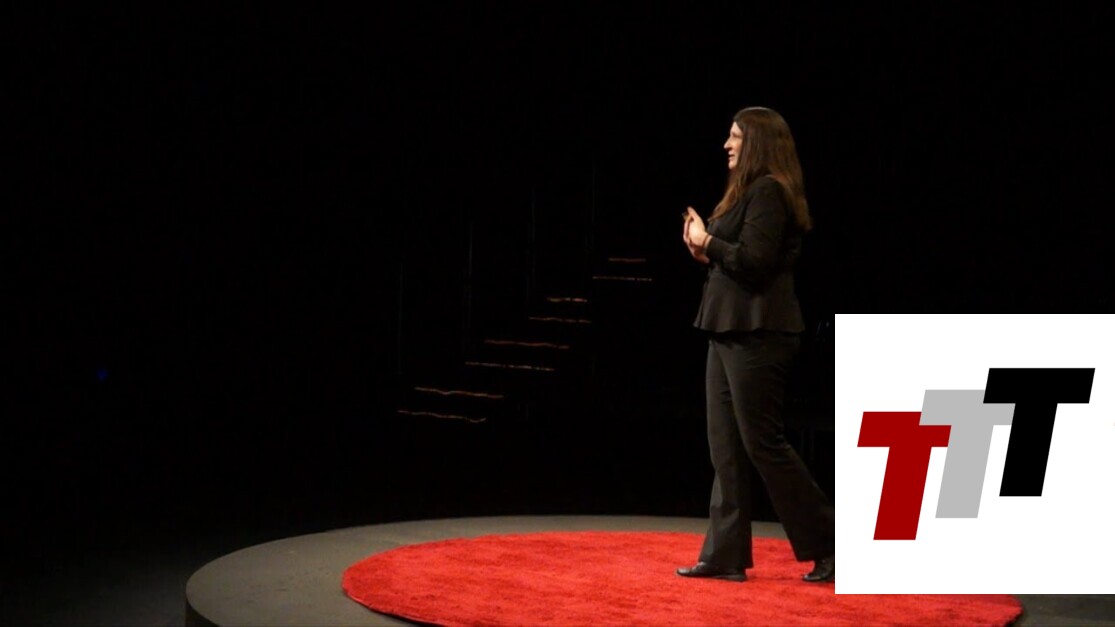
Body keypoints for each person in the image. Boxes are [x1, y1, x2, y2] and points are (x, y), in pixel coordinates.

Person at [677, 107, 834, 583]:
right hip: (728, 328)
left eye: (735, 137)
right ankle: (724, 554)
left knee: (763, 444)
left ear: (757, 144)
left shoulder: (769, 191)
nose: (727, 144)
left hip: (758, 333)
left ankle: (831, 542)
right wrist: (703, 249)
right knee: (724, 446)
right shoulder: (746, 192)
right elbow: (737, 258)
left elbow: (756, 261)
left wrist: (709, 242)